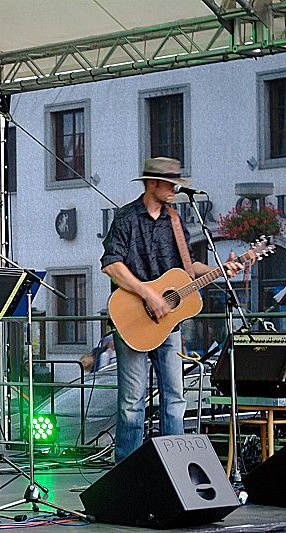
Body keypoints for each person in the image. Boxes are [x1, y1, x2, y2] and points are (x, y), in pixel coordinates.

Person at [101, 156, 242, 463]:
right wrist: (148, 294)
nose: (174, 190)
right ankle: (127, 470)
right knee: (132, 402)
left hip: (169, 326)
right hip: (133, 319)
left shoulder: (175, 221)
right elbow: (111, 265)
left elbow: (189, 269)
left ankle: (174, 466)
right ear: (152, 184)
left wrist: (221, 269)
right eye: (169, 184)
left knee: (175, 398)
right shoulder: (127, 218)